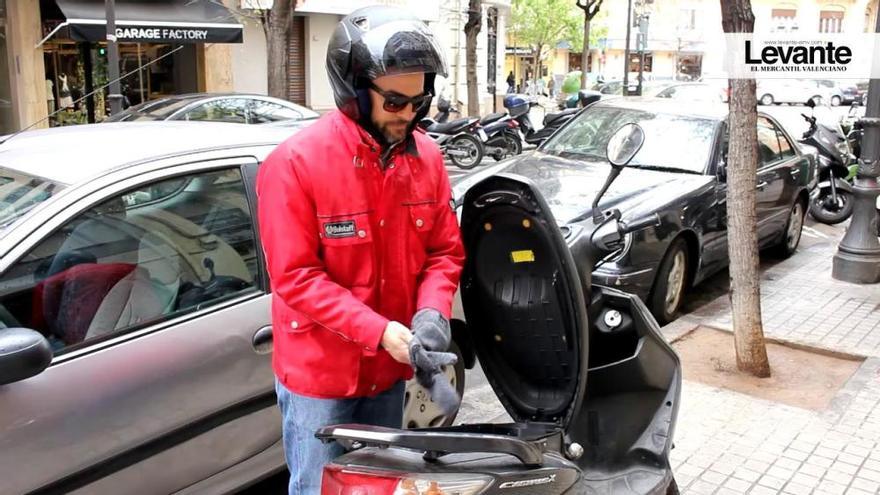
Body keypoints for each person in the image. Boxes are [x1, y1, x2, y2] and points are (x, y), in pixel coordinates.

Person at [255, 6, 465, 494]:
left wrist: (432, 312)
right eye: (394, 101)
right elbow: (295, 276)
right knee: (320, 488)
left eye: (420, 101)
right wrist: (380, 331)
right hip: (320, 378)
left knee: (381, 487)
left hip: (389, 372)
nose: (409, 114)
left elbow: (443, 251)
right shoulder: (295, 164)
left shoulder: (426, 156)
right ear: (353, 91)